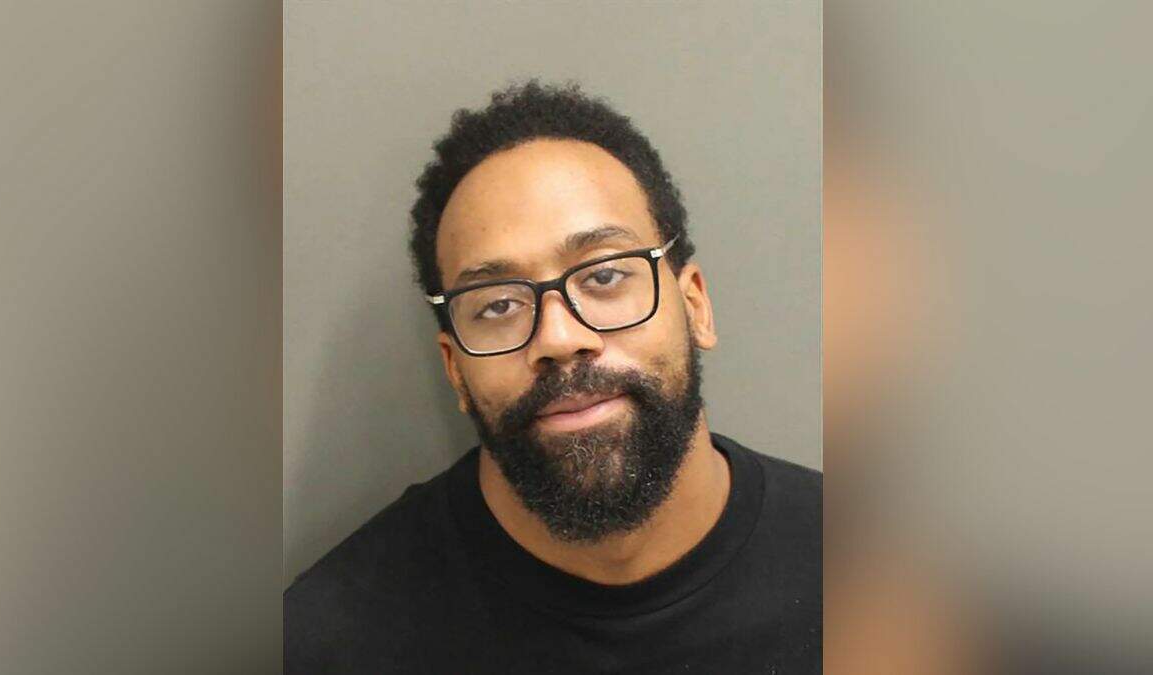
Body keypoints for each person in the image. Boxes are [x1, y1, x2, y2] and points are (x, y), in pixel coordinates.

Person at [285, 80, 821, 674]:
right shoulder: (327, 645)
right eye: (498, 305)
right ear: (455, 370)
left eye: (604, 276)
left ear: (696, 306)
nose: (560, 339)